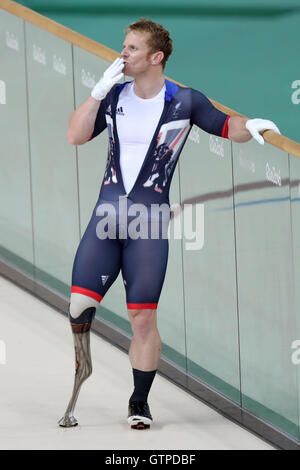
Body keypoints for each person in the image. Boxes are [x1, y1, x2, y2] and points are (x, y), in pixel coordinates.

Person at [58, 18, 280, 430]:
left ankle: (139, 401)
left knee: (142, 318)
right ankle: (79, 374)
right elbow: (74, 135)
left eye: (131, 49)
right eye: (123, 47)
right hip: (106, 219)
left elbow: (225, 124)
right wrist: (96, 93)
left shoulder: (185, 100)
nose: (122, 54)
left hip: (148, 223)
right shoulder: (114, 96)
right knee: (78, 307)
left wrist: (249, 126)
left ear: (156, 57)